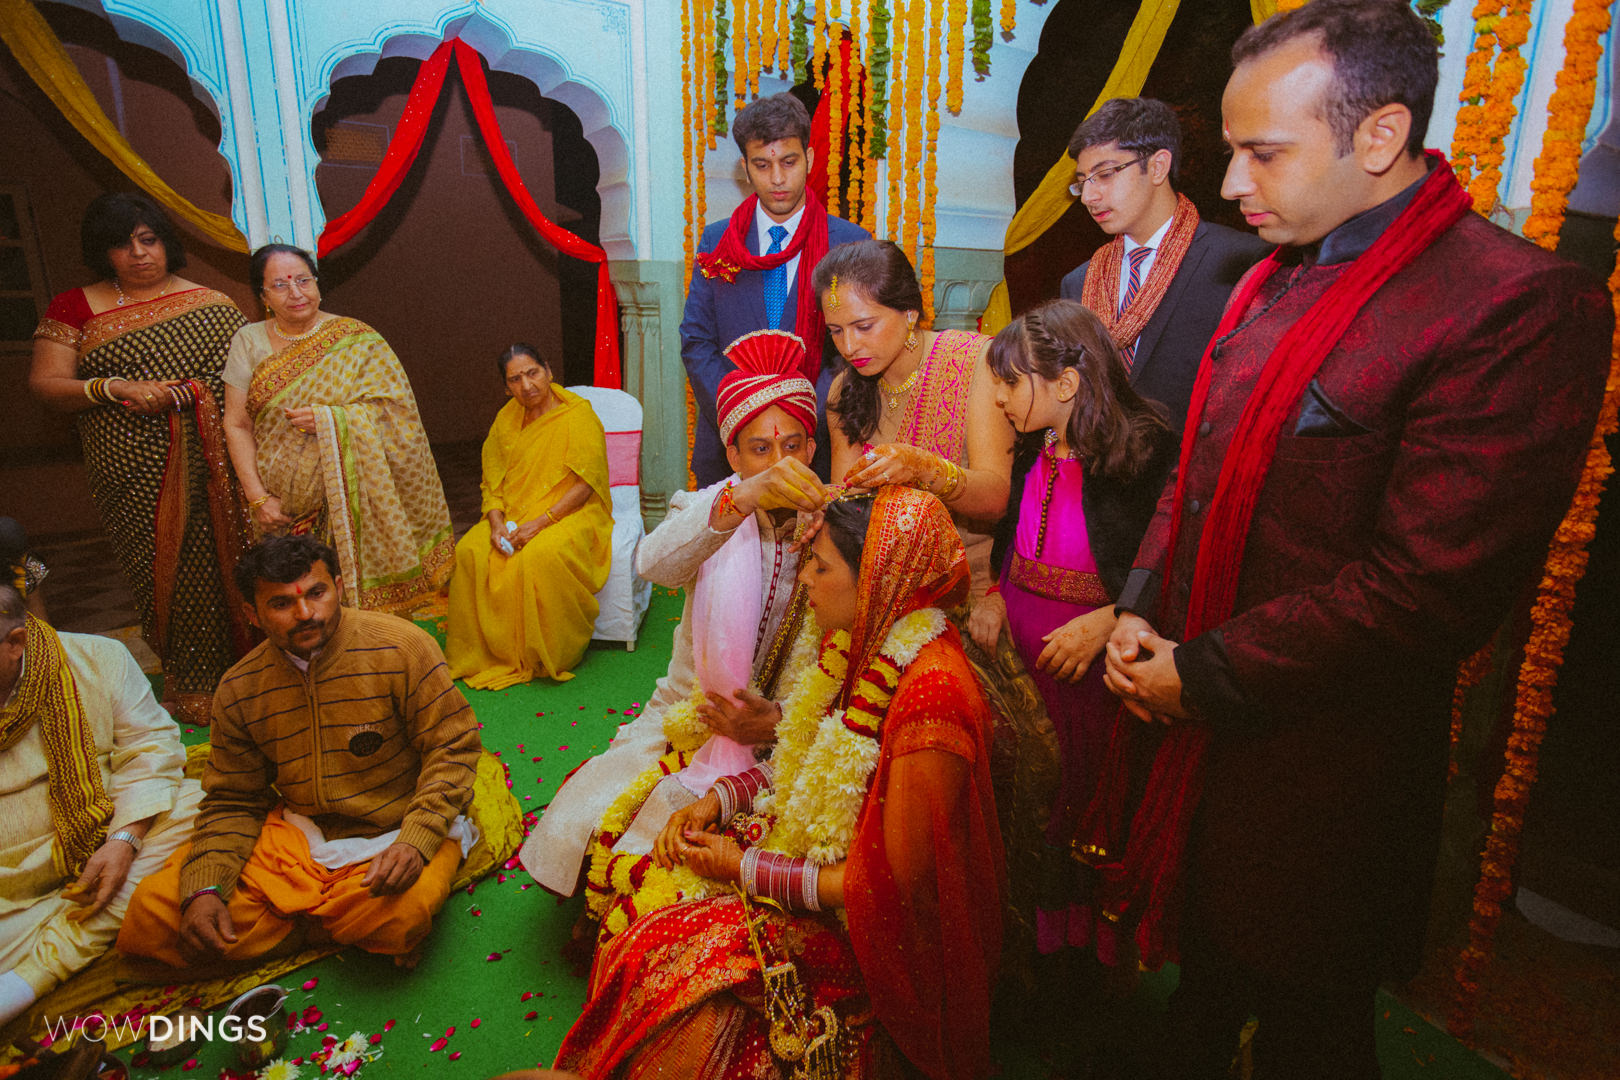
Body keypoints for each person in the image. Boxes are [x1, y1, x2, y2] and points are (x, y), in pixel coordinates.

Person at [1097, 3, 1613, 1076]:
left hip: (1327, 767)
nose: (1231, 184)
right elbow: (1195, 470)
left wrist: (1202, 673)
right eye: (1231, 150)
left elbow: (1426, 588)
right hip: (1201, 728)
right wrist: (1137, 609)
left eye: (1263, 152)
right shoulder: (1275, 273)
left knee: (1312, 1031)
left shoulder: (1517, 303)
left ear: (1379, 136)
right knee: (1200, 998)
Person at [554, 487, 1003, 1080]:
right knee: (644, 914)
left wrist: (742, 868)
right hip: (816, 862)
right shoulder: (862, 638)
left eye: (821, 567)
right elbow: (804, 756)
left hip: (878, 940)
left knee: (674, 975)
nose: (806, 580)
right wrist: (720, 799)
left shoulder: (931, 700)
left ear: (874, 579)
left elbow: (888, 886)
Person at [520, 330, 826, 925]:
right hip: (690, 713)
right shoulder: (708, 509)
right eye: (759, 449)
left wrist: (776, 722)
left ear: (812, 448)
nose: (779, 463)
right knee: (594, 832)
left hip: (786, 736)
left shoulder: (832, 528)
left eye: (792, 445)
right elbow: (653, 564)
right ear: (733, 457)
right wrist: (741, 501)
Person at [117, 535, 483, 970]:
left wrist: (416, 842)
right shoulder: (240, 688)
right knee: (154, 913)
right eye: (282, 604)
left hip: (396, 828)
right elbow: (233, 799)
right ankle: (332, 926)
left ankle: (294, 924)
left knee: (403, 911)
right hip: (300, 837)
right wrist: (205, 888)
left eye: (317, 593)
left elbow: (452, 748)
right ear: (252, 614)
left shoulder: (402, 647)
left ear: (339, 588)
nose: (306, 613)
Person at [30, 193, 251, 726]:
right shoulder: (74, 306)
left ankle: (254, 673)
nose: (138, 254)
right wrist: (113, 386)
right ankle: (193, 683)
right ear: (102, 251)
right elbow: (46, 384)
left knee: (232, 560)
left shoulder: (214, 304)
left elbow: (251, 382)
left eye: (148, 240)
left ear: (165, 242)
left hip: (216, 463)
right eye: (122, 244)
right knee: (161, 571)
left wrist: (190, 394)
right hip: (128, 468)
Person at [0, 585, 202, 1027]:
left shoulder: (96, 658)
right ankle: (72, 937)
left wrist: (124, 841)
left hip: (103, 839)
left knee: (197, 806)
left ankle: (30, 977)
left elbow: (150, 748)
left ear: (15, 643)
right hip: (7, 887)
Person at [220, 244, 453, 614]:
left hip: (352, 504)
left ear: (317, 283)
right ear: (263, 296)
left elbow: (398, 416)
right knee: (296, 607)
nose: (295, 292)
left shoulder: (357, 339)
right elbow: (236, 423)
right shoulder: (248, 341)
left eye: (303, 280)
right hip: (278, 511)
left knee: (356, 613)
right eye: (279, 285)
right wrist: (258, 498)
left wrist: (332, 420)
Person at [682, 92, 871, 486]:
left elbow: (854, 351)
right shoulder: (718, 241)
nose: (778, 179)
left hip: (819, 445)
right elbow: (697, 342)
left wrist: (800, 414)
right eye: (762, 165)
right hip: (731, 449)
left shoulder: (850, 243)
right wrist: (743, 414)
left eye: (789, 162)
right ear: (745, 167)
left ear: (810, 159)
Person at [815, 240, 1014, 608]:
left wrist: (924, 468)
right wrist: (813, 506)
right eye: (836, 331)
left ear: (909, 313)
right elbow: (849, 505)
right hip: (880, 587)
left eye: (864, 326)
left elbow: (996, 499)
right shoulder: (845, 389)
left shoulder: (974, 363)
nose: (849, 346)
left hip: (972, 589)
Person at [1058, 98, 1271, 432]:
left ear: (1158, 167)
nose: (1088, 197)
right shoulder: (1080, 282)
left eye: (1105, 174)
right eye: (1083, 181)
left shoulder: (1240, 263)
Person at [445, 345, 613, 688]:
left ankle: (544, 654)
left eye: (532, 373)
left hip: (571, 512)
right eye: (515, 379)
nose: (526, 385)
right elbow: (492, 482)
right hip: (514, 513)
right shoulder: (505, 420)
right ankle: (492, 653)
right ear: (506, 388)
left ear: (548, 371)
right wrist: (495, 524)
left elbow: (585, 485)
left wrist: (540, 523)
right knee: (470, 551)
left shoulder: (578, 415)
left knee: (539, 556)